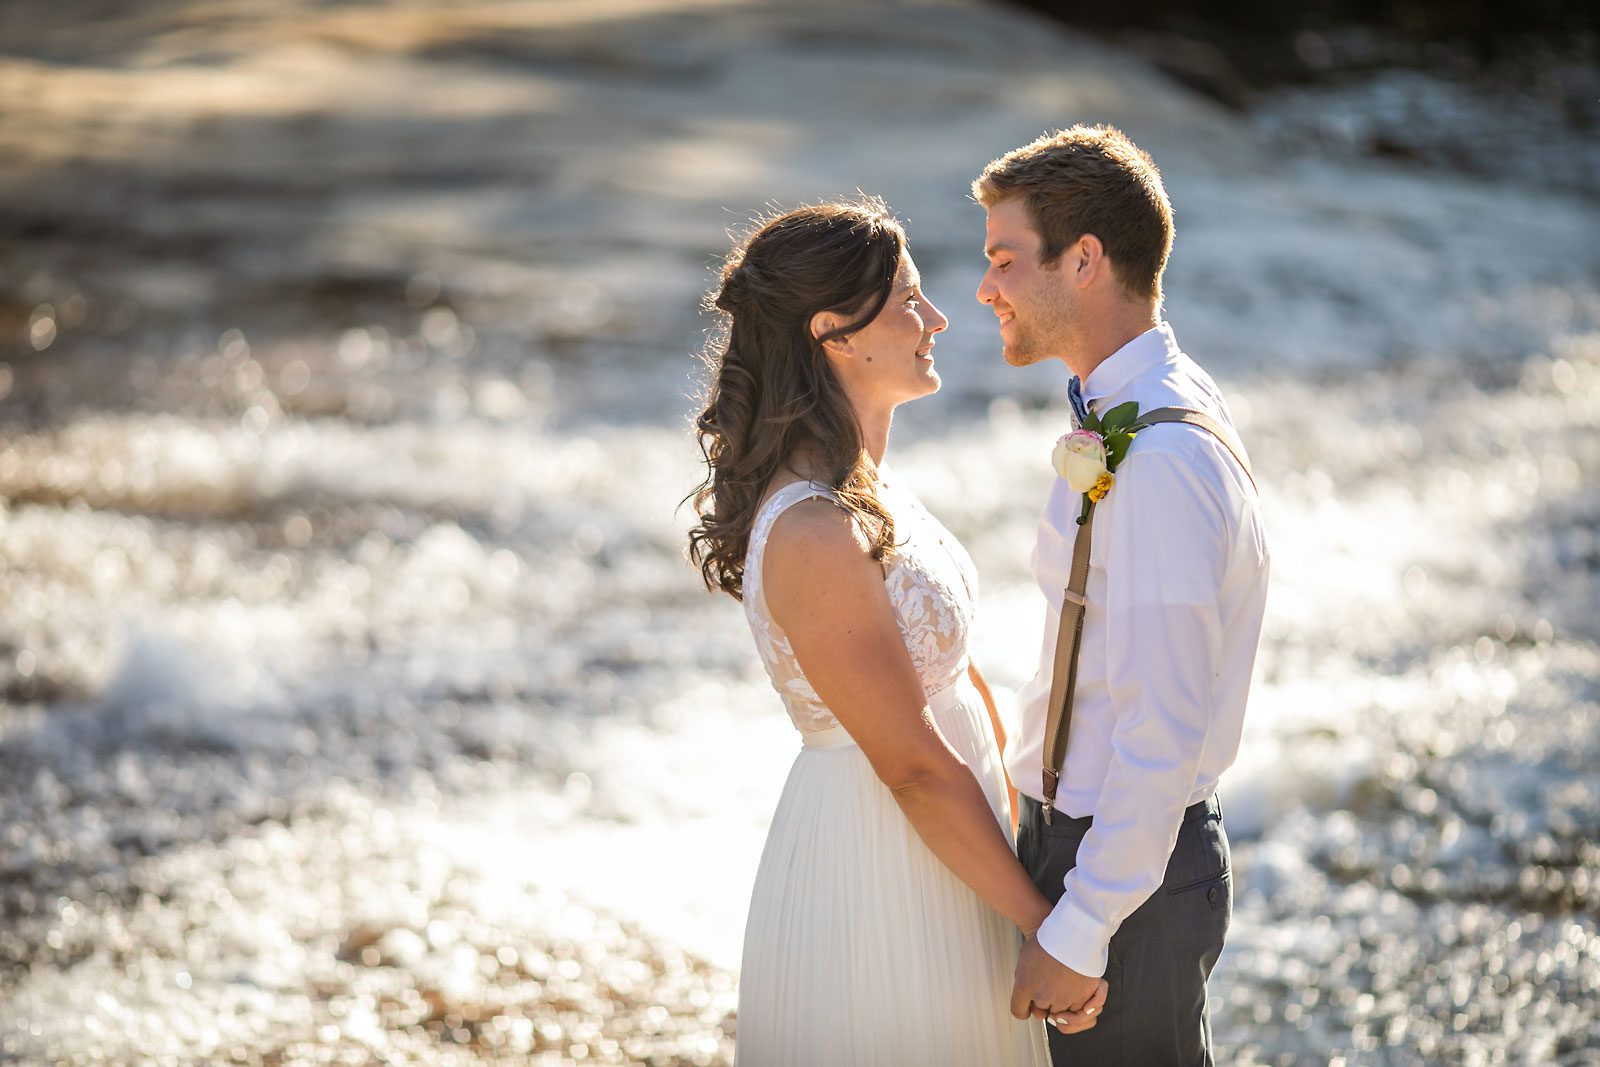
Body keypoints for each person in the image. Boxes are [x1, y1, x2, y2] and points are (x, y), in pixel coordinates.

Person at [686, 199, 1104, 1065]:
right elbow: (910, 762)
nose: (938, 318)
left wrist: (1031, 836)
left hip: (958, 849)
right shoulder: (811, 530)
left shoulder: (866, 487)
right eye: (909, 299)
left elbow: (949, 676)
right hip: (880, 869)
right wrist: (1051, 928)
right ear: (834, 332)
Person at [972, 125, 1271, 1065]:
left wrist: (1081, 922)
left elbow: (1163, 727)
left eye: (1006, 259)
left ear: (1086, 260)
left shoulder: (1163, 458)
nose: (986, 288)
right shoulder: (1129, 413)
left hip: (1122, 873)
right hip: (1088, 852)